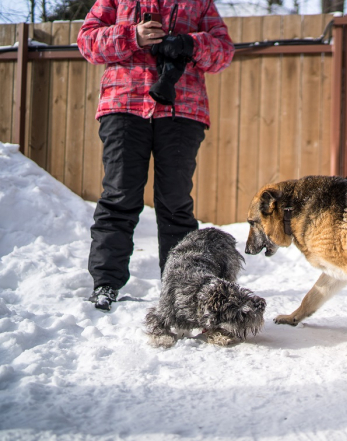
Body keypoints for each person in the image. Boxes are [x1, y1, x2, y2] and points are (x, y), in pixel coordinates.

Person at [77, 0, 235, 311]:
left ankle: (182, 288)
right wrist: (131, 36)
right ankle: (105, 283)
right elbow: (87, 42)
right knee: (119, 196)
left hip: (183, 109)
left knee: (176, 203)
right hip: (123, 104)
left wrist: (190, 42)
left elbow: (223, 52)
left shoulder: (199, 3)